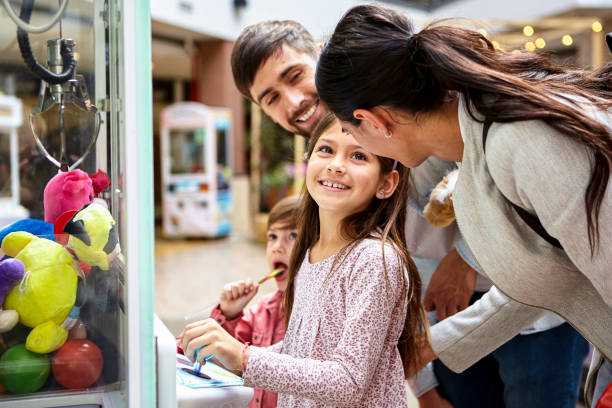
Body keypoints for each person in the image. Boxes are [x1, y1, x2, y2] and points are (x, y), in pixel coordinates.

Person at [230, 18, 590, 408]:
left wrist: (465, 259)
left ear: (320, 57)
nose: (292, 101)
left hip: (531, 310)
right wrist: (424, 383)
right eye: (270, 98)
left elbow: (518, 208)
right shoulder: (333, 181)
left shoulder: (432, 124)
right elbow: (396, 280)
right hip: (444, 319)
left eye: (294, 75)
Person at [315, 4, 612, 406]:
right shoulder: (477, 146)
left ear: (377, 121)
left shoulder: (519, 142)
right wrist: (425, 346)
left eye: (353, 133)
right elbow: (548, 276)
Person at [180, 113, 425, 407]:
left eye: (358, 155)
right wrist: (225, 355)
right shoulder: (309, 252)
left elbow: (349, 380)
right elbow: (304, 348)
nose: (336, 165)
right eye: (326, 150)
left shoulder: (375, 259)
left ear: (386, 183)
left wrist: (243, 357)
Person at [207, 195, 298, 408]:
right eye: (272, 237)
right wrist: (229, 313)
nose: (277, 247)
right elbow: (225, 362)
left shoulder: (316, 315)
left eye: (292, 236)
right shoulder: (262, 311)